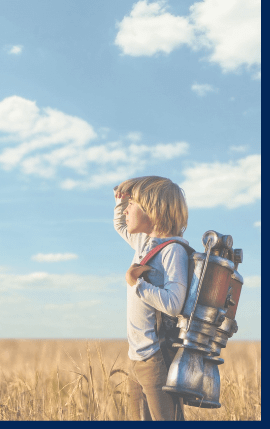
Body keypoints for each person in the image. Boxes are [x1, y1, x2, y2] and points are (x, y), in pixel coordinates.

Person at [113, 176, 190, 421]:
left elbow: (173, 303)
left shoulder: (172, 251)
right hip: (137, 356)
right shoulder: (144, 243)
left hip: (156, 356)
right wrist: (120, 199)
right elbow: (120, 225)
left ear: (153, 209)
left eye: (132, 204)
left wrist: (137, 284)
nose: (126, 211)